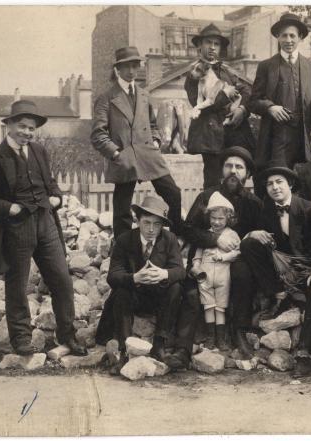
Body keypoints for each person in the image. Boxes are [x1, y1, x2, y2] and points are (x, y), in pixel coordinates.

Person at [0, 100, 86, 356]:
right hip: (15, 228)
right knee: (17, 285)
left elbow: (50, 183)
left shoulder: (39, 152)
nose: (27, 132)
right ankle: (21, 339)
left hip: (46, 223)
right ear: (9, 125)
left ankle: (67, 335)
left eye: (31, 128)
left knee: (62, 280)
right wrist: (8, 207)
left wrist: (56, 197)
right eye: (22, 126)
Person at [165, 146, 262, 367]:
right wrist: (214, 240)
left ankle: (237, 333)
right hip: (204, 259)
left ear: (247, 174)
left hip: (235, 261)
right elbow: (187, 229)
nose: (233, 171)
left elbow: (260, 237)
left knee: (242, 275)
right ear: (222, 170)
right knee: (190, 290)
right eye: (229, 165)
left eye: (239, 167)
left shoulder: (253, 203)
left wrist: (244, 242)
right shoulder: (206, 196)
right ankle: (183, 348)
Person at [239, 161, 311, 378]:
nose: (274, 187)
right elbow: (259, 243)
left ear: (290, 185)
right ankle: (277, 293)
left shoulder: (310, 209)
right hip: (280, 269)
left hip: (308, 266)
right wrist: (253, 234)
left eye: (279, 182)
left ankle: (304, 353)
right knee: (249, 244)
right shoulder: (267, 209)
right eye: (269, 184)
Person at [91, 46, 182, 239]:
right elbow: (98, 134)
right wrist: (116, 154)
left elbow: (152, 123)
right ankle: (122, 248)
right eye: (127, 66)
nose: (132, 71)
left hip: (148, 153)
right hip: (124, 157)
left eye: (135, 65)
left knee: (173, 193)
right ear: (118, 69)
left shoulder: (144, 94)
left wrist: (156, 141)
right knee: (122, 208)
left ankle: (175, 238)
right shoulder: (106, 98)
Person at [95, 196, 185, 375]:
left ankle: (159, 345)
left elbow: (180, 271)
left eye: (157, 224)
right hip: (133, 296)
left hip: (158, 298)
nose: (151, 229)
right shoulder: (124, 240)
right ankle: (124, 349)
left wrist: (163, 274)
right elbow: (113, 276)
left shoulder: (169, 239)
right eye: (147, 223)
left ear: (162, 225)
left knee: (176, 288)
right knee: (120, 291)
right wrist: (134, 278)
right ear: (137, 220)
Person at [247, 12, 311, 197]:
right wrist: (270, 107)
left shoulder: (309, 65)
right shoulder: (266, 66)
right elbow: (253, 101)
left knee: (305, 187)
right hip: (277, 138)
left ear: (300, 37)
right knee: (278, 184)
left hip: (305, 138)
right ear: (278, 37)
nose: (288, 40)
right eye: (284, 35)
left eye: (292, 35)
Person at [185, 23, 255, 189]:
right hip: (211, 137)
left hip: (233, 133)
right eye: (208, 42)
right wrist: (227, 93)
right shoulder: (194, 73)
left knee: (236, 179)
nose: (212, 47)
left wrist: (242, 110)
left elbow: (247, 90)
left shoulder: (226, 70)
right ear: (199, 46)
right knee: (213, 181)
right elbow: (202, 103)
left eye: (216, 44)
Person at [190, 192, 240, 351]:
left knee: (220, 307)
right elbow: (197, 255)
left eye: (221, 219)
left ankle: (221, 338)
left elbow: (238, 252)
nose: (217, 222)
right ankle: (210, 337)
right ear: (209, 217)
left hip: (222, 276)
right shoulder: (206, 235)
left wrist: (223, 257)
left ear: (228, 219)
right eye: (213, 218)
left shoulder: (231, 235)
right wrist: (196, 267)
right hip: (204, 277)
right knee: (208, 306)